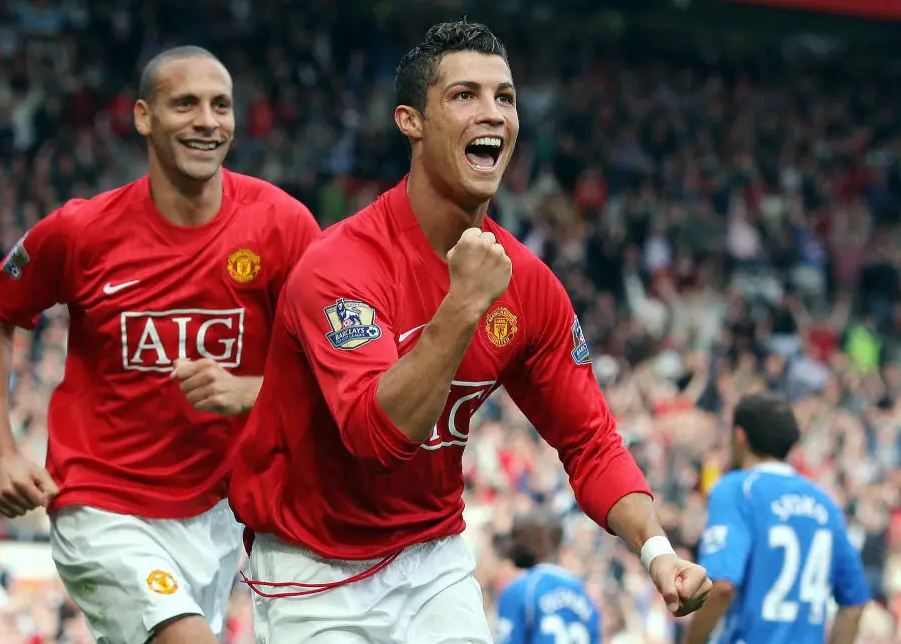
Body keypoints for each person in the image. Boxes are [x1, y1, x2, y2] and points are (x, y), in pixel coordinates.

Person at [228, 20, 711, 643]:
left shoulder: (529, 284)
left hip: (433, 561)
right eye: (464, 96)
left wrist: (657, 552)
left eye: (504, 98)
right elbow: (380, 438)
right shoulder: (339, 267)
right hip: (312, 569)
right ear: (411, 121)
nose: (494, 114)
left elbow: (590, 441)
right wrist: (462, 306)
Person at [0, 45, 320, 644]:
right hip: (102, 504)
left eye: (221, 105)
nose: (208, 120)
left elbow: (339, 366)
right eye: (185, 103)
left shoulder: (281, 225)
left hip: (218, 512)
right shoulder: (81, 231)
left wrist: (254, 391)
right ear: (144, 116)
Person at [683, 393, 871, 644]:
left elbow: (721, 585)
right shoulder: (825, 504)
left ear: (740, 436)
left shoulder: (737, 489)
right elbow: (854, 604)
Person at [495, 513, 602, 644]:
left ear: (539, 538)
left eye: (517, 536)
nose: (512, 546)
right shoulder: (585, 596)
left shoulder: (520, 590)